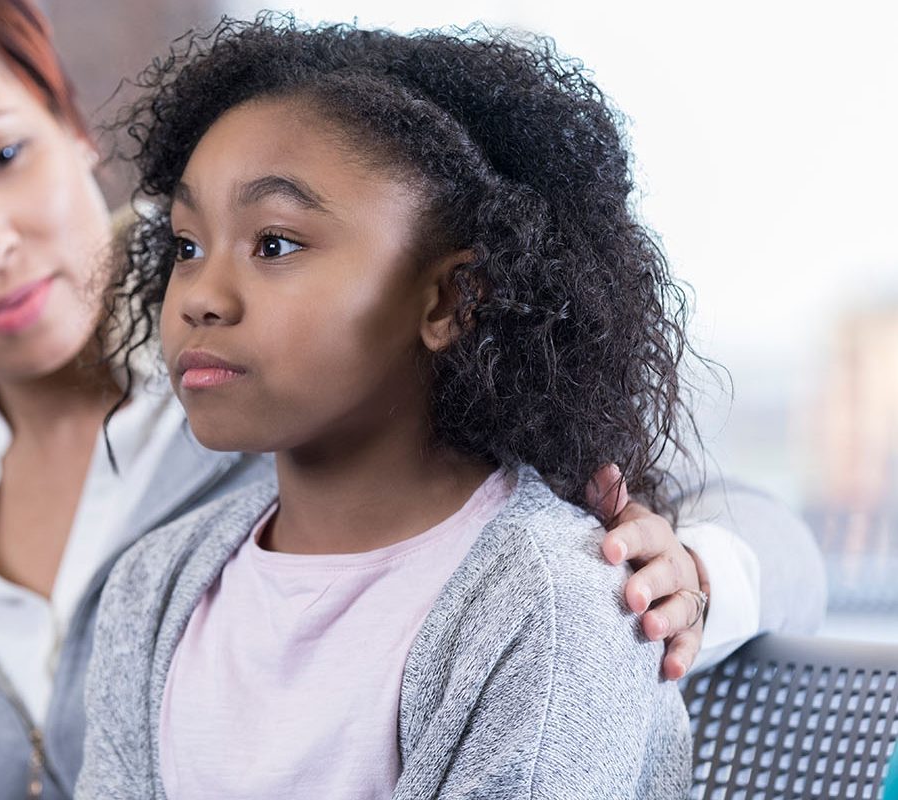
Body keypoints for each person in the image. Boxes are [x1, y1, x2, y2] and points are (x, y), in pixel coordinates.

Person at [0, 2, 823, 797]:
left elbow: (716, 515)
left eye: (0, 156)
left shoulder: (312, 380)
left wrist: (682, 581)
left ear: (72, 128)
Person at [77, 18, 716, 798]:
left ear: (450, 298)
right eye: (186, 245)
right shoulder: (154, 588)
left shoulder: (548, 607)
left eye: (274, 243)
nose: (201, 298)